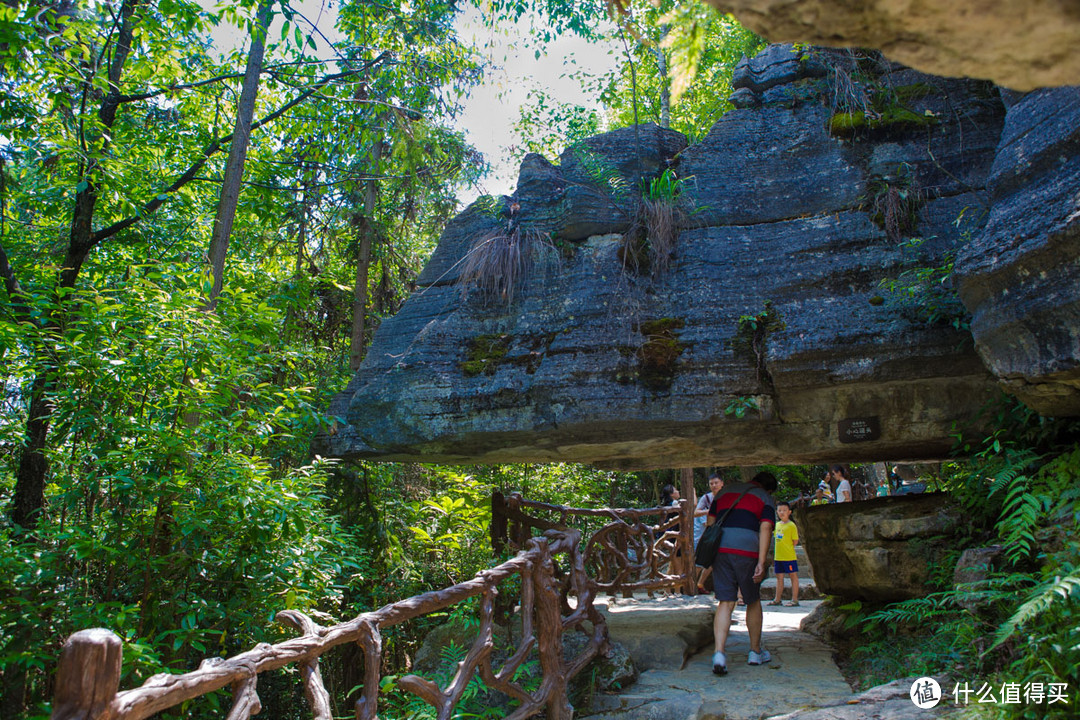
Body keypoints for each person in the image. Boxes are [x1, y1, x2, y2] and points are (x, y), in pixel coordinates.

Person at [705, 470, 778, 675]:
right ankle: (755, 652)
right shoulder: (764, 497)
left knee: (726, 601)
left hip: (721, 549)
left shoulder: (724, 492)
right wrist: (761, 561)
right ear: (768, 488)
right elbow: (765, 528)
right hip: (747, 551)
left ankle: (719, 653)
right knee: (752, 600)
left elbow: (711, 523)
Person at [695, 473, 724, 593]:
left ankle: (700, 584)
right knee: (701, 560)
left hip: (723, 532)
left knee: (715, 562)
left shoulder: (727, 496)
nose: (714, 485)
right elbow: (695, 512)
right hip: (709, 533)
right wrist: (710, 511)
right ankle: (692, 584)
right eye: (711, 483)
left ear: (722, 483)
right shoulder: (706, 498)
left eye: (716, 483)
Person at [767, 501, 800, 607]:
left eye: (784, 510)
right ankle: (777, 599)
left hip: (789, 556)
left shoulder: (791, 525)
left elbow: (795, 541)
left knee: (793, 576)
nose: (782, 513)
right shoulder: (776, 525)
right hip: (778, 557)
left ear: (789, 512)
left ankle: (794, 599)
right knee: (779, 578)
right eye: (780, 510)